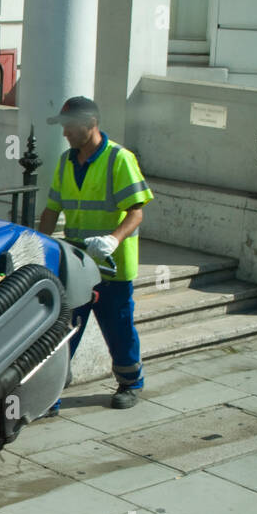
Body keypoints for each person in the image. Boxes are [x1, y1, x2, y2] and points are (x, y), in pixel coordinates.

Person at [37, 96, 154, 409]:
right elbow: (51, 210)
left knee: (118, 329)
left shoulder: (119, 159)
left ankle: (130, 383)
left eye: (70, 127)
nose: (65, 134)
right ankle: (51, 393)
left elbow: (136, 212)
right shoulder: (66, 161)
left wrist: (114, 240)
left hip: (112, 267)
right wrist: (36, 246)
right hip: (77, 265)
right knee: (64, 333)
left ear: (90, 124)